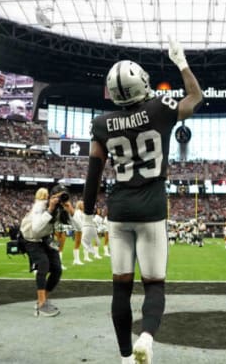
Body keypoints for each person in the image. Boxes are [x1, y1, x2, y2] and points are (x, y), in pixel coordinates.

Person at [81, 37, 203, 364]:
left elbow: (93, 173)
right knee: (154, 285)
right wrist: (181, 63)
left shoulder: (101, 124)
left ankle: (124, 358)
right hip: (151, 210)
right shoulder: (159, 109)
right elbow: (196, 97)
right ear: (141, 84)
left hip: (119, 212)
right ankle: (146, 338)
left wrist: (89, 218)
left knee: (120, 289)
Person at [22, 186, 78, 317]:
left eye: (63, 196)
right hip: (31, 238)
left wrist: (71, 211)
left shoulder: (63, 208)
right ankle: (41, 304)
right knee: (43, 264)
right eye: (57, 196)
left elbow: (79, 227)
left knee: (57, 270)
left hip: (46, 238)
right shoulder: (40, 206)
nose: (60, 200)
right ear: (51, 197)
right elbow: (36, 229)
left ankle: (42, 300)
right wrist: (50, 209)